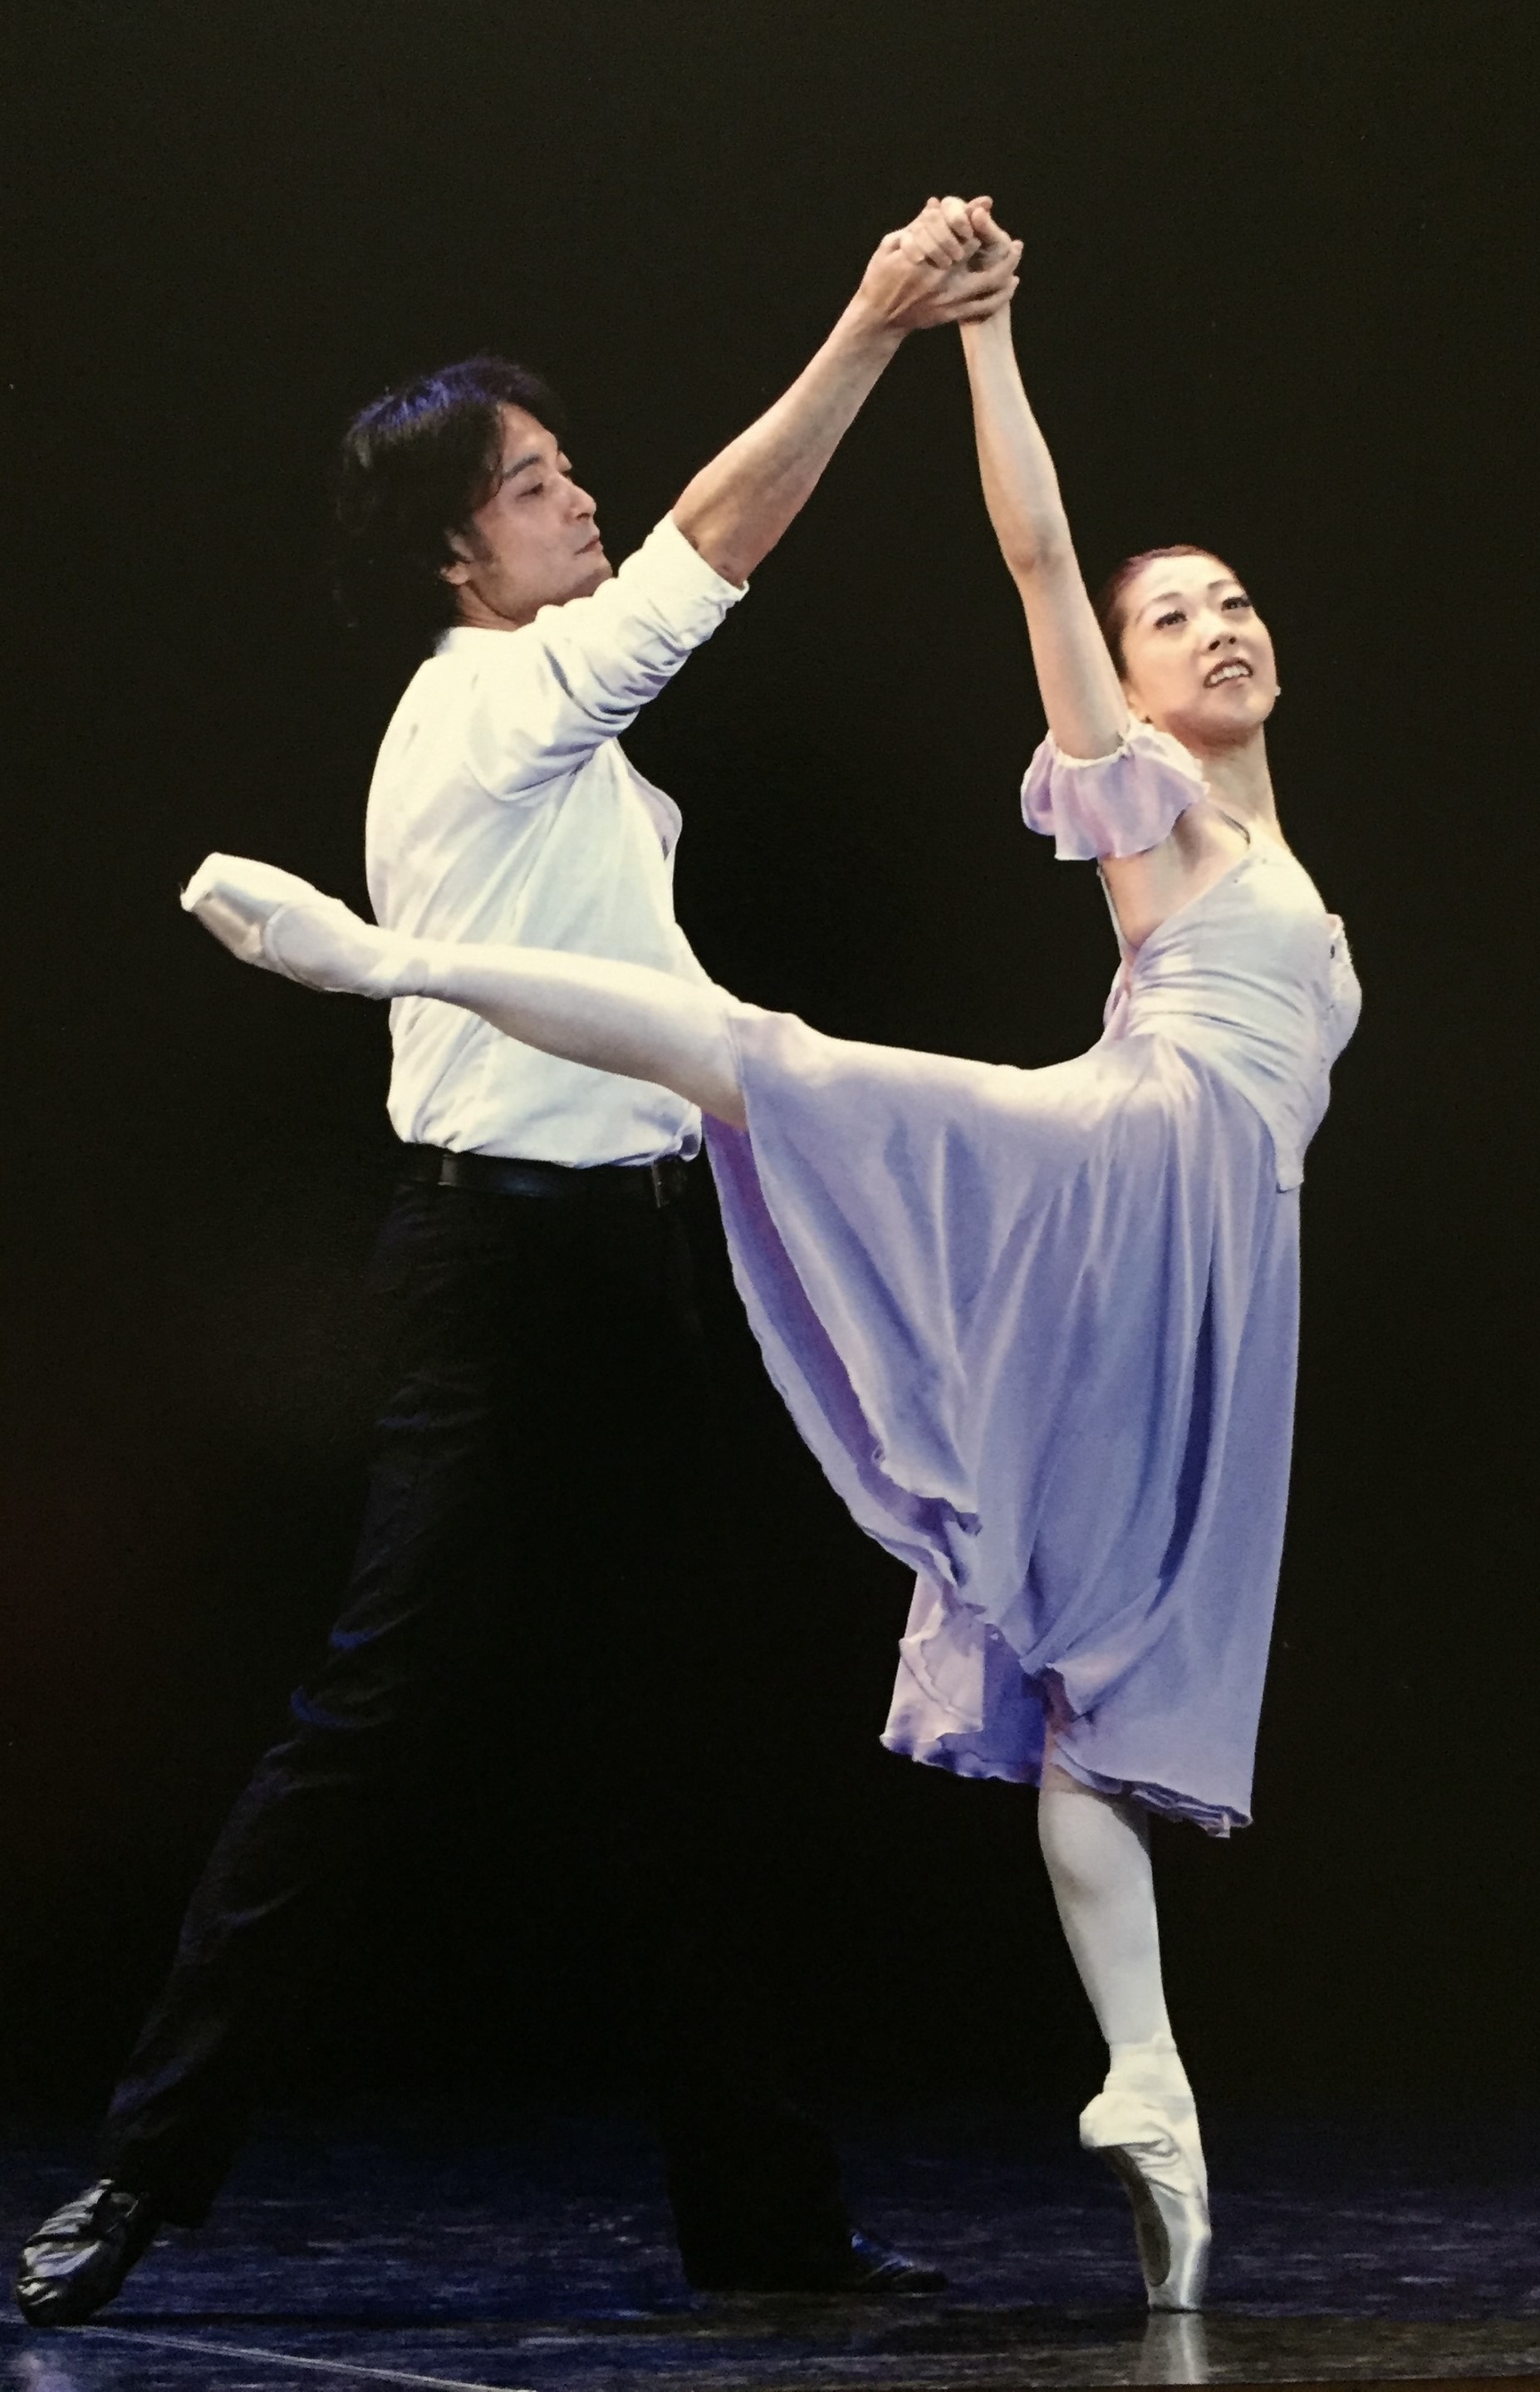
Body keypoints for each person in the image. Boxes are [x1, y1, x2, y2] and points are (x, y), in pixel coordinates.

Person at [148, 206, 1356, 2315]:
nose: (1221, 626)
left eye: (1237, 600)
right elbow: (1004, 556)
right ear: (458, 554)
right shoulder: (1123, 803)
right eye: (538, 485)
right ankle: (376, 964)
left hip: (1138, 1260)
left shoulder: (1261, 845)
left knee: (1014, 1653)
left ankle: (1095, 2107)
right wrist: (947, 331)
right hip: (742, 1216)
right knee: (758, 1072)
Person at [15, 197, 1024, 2331]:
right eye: (536, 482)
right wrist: (871, 322)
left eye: (570, 470)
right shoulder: (487, 705)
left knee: (690, 1744)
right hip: (493, 1274)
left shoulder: (568, 758)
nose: (578, 498)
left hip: (641, 1271)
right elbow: (712, 552)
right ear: (455, 557)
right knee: (371, 1714)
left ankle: (764, 2222)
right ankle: (138, 2178)